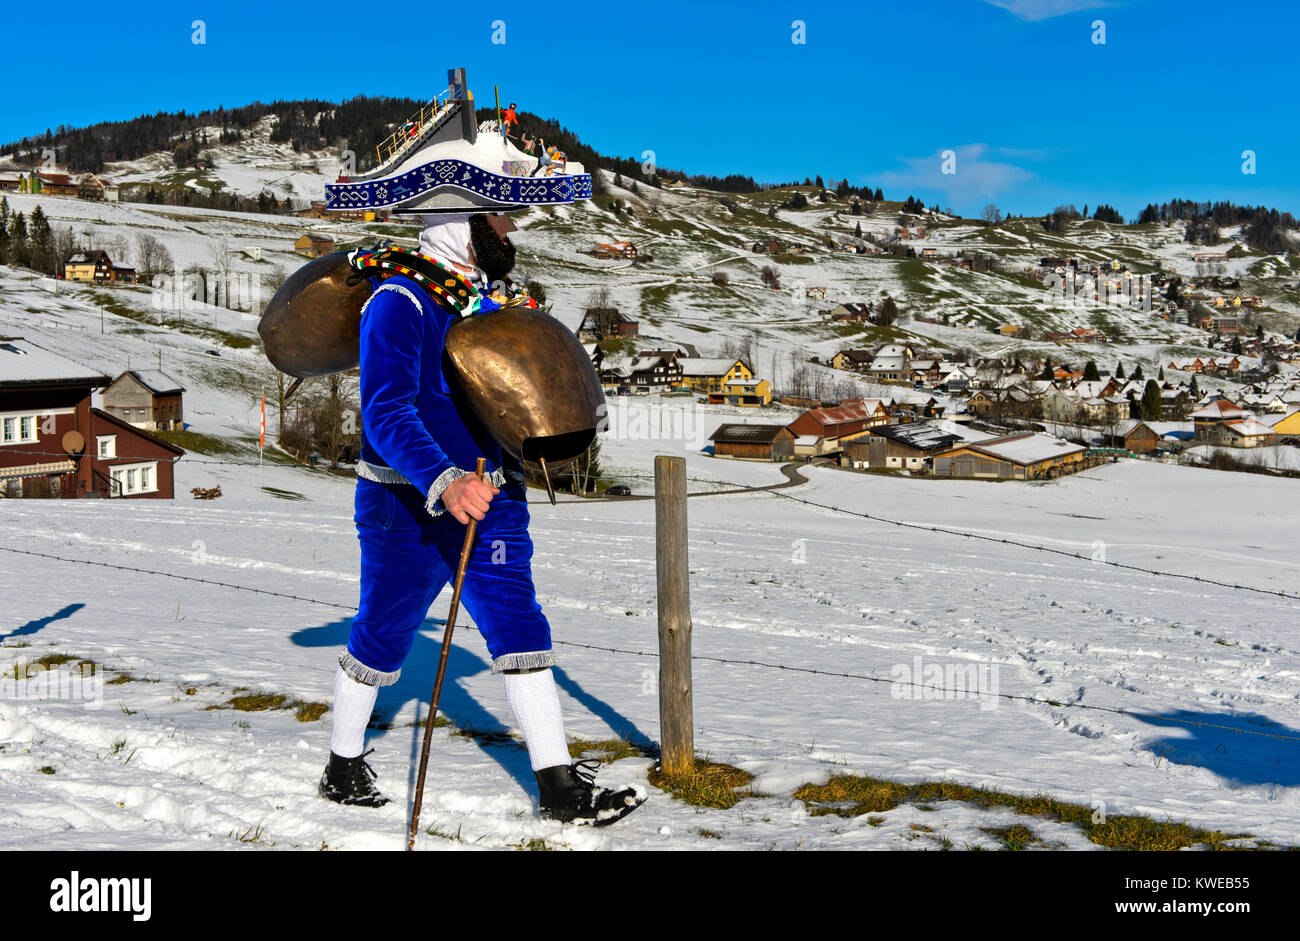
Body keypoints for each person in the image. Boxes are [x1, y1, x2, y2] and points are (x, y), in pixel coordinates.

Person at [318, 211, 645, 827]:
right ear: (454, 221)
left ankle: (558, 787)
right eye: (496, 218)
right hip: (404, 506)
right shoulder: (399, 301)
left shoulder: (482, 303)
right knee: (385, 633)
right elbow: (385, 412)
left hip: (491, 501)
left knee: (519, 625)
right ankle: (342, 765)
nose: (508, 231)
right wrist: (443, 480)